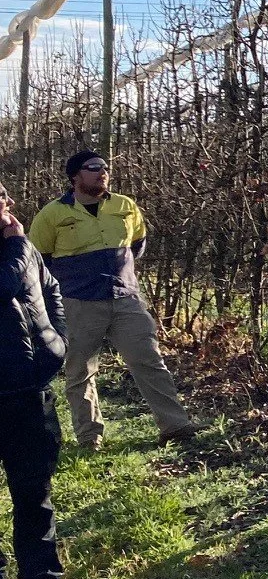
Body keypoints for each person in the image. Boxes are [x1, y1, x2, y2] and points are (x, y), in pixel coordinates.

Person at [29, 152, 197, 449]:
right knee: (79, 370)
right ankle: (89, 436)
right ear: (75, 177)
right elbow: (39, 261)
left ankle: (175, 426)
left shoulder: (124, 206)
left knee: (149, 360)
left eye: (105, 168)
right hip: (78, 302)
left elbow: (137, 245)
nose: (102, 172)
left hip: (126, 300)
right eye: (93, 168)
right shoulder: (52, 214)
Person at [1, 183, 68, 579]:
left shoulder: (20, 250)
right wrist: (17, 245)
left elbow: (51, 291)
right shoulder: (17, 249)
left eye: (1, 202)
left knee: (34, 493)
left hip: (26, 394)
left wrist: (55, 344)